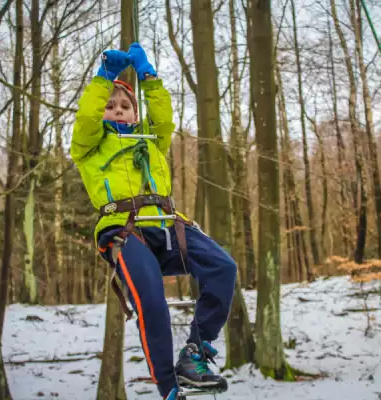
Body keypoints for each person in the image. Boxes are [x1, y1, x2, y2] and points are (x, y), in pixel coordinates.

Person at [69, 42, 237, 400]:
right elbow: (85, 121)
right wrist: (104, 79)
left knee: (223, 267)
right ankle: (169, 388)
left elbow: (162, 117)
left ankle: (196, 352)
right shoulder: (89, 148)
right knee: (151, 298)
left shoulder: (152, 142)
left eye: (125, 106)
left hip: (167, 226)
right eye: (110, 107)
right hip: (126, 231)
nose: (117, 110)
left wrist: (148, 77)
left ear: (134, 114)